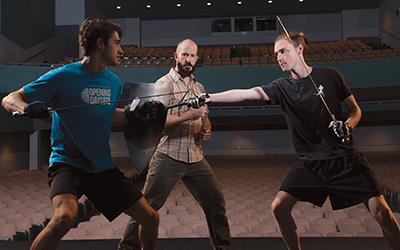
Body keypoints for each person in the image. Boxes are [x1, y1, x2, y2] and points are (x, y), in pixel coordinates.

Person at [207, 31, 400, 250]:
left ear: (299, 49)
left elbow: (355, 110)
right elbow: (247, 93)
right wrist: (209, 98)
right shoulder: (281, 87)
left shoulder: (331, 76)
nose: (278, 57)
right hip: (310, 163)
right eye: (276, 54)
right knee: (278, 207)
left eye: (283, 51)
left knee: (382, 212)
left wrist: (348, 125)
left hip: (346, 158)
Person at [1, 18, 159, 250]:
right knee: (64, 217)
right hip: (68, 164)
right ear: (100, 44)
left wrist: (134, 115)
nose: (122, 50)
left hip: (101, 166)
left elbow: (105, 114)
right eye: (117, 43)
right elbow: (9, 99)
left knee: (151, 218)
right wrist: (25, 108)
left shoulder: (113, 82)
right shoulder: (62, 76)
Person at [118, 39, 232, 250]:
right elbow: (156, 124)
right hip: (169, 155)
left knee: (216, 204)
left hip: (196, 157)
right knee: (147, 207)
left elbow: (205, 117)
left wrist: (206, 126)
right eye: (184, 55)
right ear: (176, 57)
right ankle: (126, 248)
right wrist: (188, 115)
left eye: (192, 56)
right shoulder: (163, 85)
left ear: (197, 59)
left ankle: (223, 248)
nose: (188, 60)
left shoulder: (199, 87)